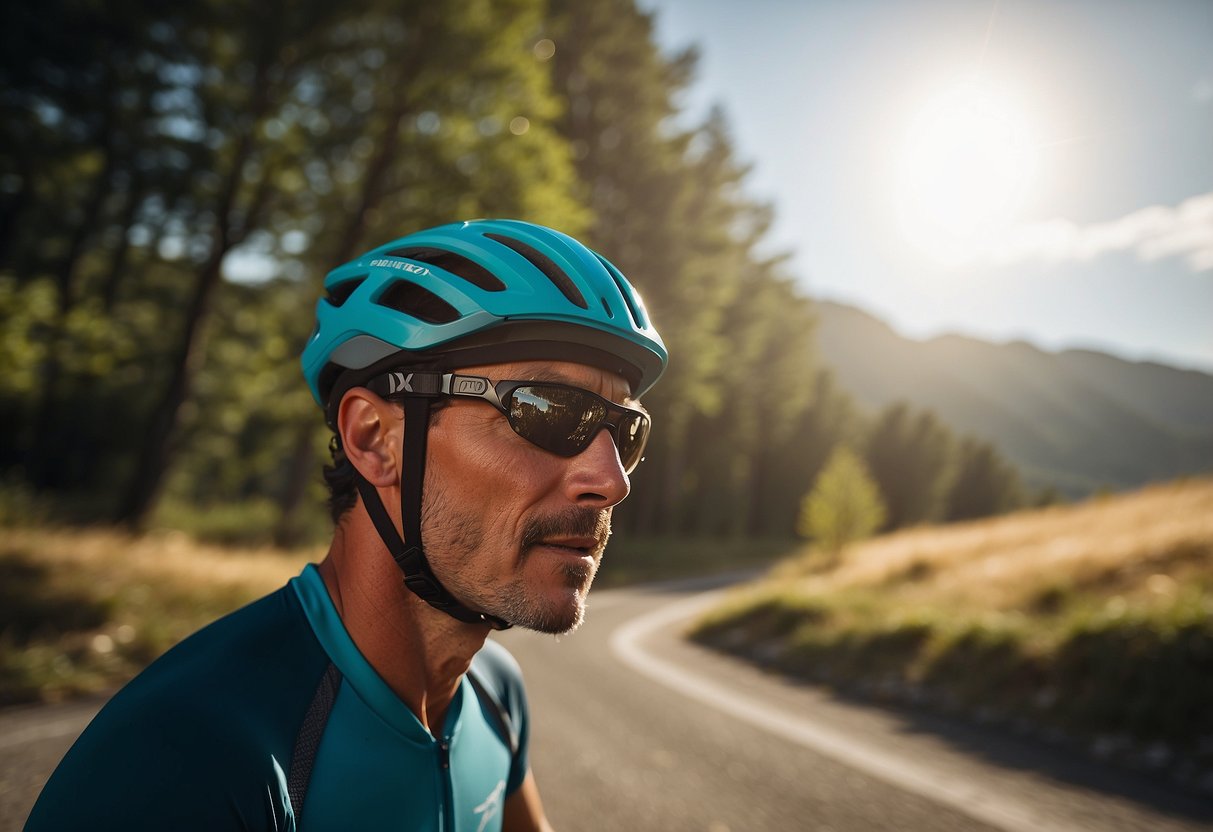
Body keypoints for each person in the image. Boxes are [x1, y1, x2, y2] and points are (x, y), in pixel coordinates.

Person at [25, 219, 667, 831]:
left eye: (625, 430)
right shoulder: (185, 756)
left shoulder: (496, 695)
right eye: (548, 411)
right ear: (374, 439)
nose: (612, 481)